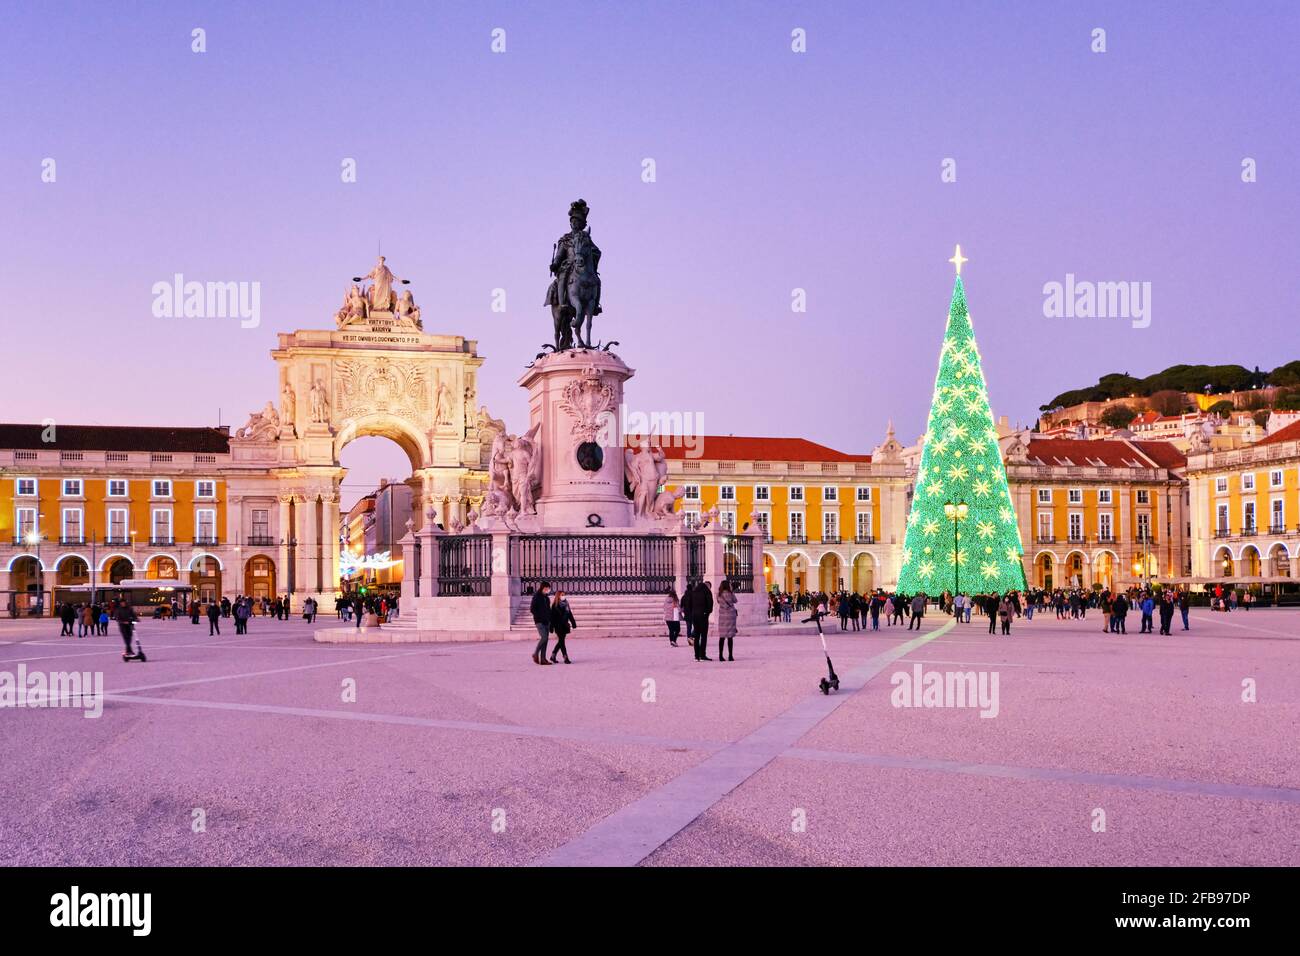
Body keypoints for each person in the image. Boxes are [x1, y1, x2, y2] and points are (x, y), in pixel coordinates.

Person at [548, 589, 576, 664]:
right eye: (562, 595)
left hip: (564, 625)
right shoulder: (555, 605)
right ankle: (565, 657)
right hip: (558, 626)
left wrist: (573, 623)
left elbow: (570, 614)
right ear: (558, 596)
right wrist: (551, 627)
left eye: (564, 594)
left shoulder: (566, 604)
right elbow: (552, 617)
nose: (563, 596)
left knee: (561, 641)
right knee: (562, 642)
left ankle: (553, 656)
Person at [530, 582, 553, 665]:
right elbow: (532, 609)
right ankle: (536, 653)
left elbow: (549, 610)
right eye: (546, 589)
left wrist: (550, 621)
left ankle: (543, 659)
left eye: (548, 589)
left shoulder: (547, 598)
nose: (547, 590)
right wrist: (539, 617)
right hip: (539, 621)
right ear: (542, 588)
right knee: (544, 637)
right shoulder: (536, 597)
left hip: (547, 621)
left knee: (546, 640)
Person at [692, 581, 714, 661]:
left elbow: (690, 604)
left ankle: (696, 656)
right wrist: (707, 612)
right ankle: (702, 655)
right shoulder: (707, 591)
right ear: (708, 586)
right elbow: (710, 604)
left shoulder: (694, 591)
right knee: (703, 636)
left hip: (695, 616)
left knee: (696, 636)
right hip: (703, 616)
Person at [716, 580, 737, 662]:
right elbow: (735, 600)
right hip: (731, 616)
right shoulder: (730, 593)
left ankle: (720, 656)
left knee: (722, 637)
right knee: (730, 637)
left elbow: (718, 602)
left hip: (722, 617)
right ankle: (730, 656)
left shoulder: (719, 594)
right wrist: (732, 591)